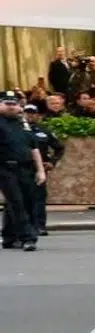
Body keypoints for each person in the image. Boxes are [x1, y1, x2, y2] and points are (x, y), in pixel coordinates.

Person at [0, 91, 42, 252]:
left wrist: (40, 170)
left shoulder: (22, 124)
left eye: (14, 104)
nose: (11, 107)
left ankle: (9, 237)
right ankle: (28, 238)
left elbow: (33, 148)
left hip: (25, 168)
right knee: (17, 202)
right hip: (5, 168)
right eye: (7, 104)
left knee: (24, 201)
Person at [22, 104, 62, 237]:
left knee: (39, 197)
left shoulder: (44, 130)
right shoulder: (17, 129)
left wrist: (52, 162)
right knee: (21, 197)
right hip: (21, 167)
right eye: (27, 113)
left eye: (32, 113)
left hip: (39, 168)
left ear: (38, 115)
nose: (29, 115)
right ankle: (24, 226)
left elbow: (59, 147)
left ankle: (39, 226)